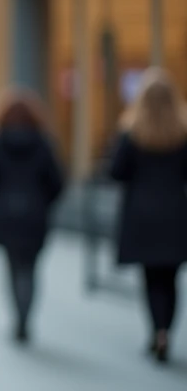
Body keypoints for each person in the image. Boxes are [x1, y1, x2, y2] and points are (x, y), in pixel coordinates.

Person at [109, 68, 187, 364]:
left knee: (151, 278)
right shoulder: (182, 132)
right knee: (170, 279)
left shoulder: (131, 133)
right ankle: (166, 329)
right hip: (175, 213)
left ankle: (157, 330)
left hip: (142, 215)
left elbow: (116, 172)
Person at [0, 89, 64, 346]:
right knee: (30, 269)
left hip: (6, 214)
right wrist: (43, 203)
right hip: (35, 215)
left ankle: (18, 317)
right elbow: (57, 181)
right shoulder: (44, 143)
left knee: (12, 268)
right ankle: (26, 318)